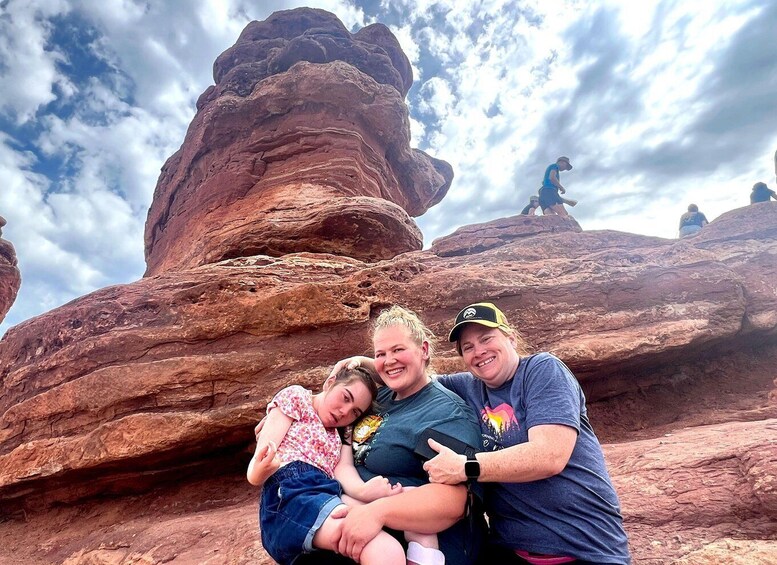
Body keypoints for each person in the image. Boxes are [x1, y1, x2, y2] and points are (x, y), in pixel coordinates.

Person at [425, 302, 631, 565]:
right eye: (468, 347)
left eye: (486, 338)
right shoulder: (468, 387)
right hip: (509, 548)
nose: (479, 351)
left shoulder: (542, 370)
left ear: (510, 337)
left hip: (583, 548)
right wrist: (366, 363)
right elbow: (414, 377)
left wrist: (466, 467)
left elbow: (549, 456)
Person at [289, 306, 487, 565]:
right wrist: (283, 416)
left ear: (424, 350)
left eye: (398, 350)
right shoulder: (378, 396)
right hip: (350, 529)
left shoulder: (445, 414)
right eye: (380, 353)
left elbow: (455, 502)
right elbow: (330, 417)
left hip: (406, 550)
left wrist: (378, 513)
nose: (388, 360)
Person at [248, 365, 408, 564]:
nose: (344, 412)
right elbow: (261, 457)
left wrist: (364, 491)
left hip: (327, 491)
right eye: (345, 397)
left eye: (355, 412)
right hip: (292, 494)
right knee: (384, 550)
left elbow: (343, 468)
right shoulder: (298, 398)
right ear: (330, 382)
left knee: (402, 512)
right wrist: (259, 471)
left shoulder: (342, 432)